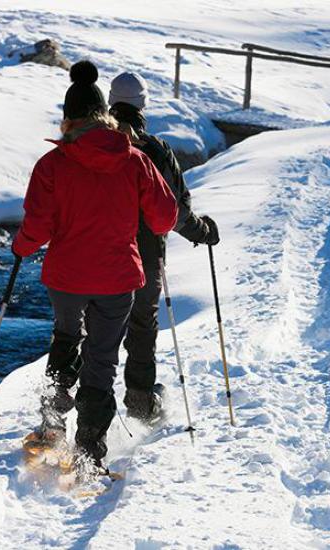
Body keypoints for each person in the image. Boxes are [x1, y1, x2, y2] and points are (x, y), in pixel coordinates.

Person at [12, 61, 178, 472]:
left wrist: (21, 248)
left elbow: (37, 226)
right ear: (105, 114)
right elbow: (164, 218)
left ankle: (52, 426)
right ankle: (89, 454)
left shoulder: (52, 164)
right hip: (118, 278)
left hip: (66, 277)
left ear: (68, 119)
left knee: (66, 340)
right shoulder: (136, 160)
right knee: (101, 361)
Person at [107, 72, 220, 423]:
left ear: (111, 101)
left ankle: (89, 402)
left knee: (98, 327)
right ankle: (140, 400)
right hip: (146, 252)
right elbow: (176, 209)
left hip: (99, 250)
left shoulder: (93, 145)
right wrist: (201, 232)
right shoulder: (155, 150)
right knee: (142, 323)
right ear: (143, 104)